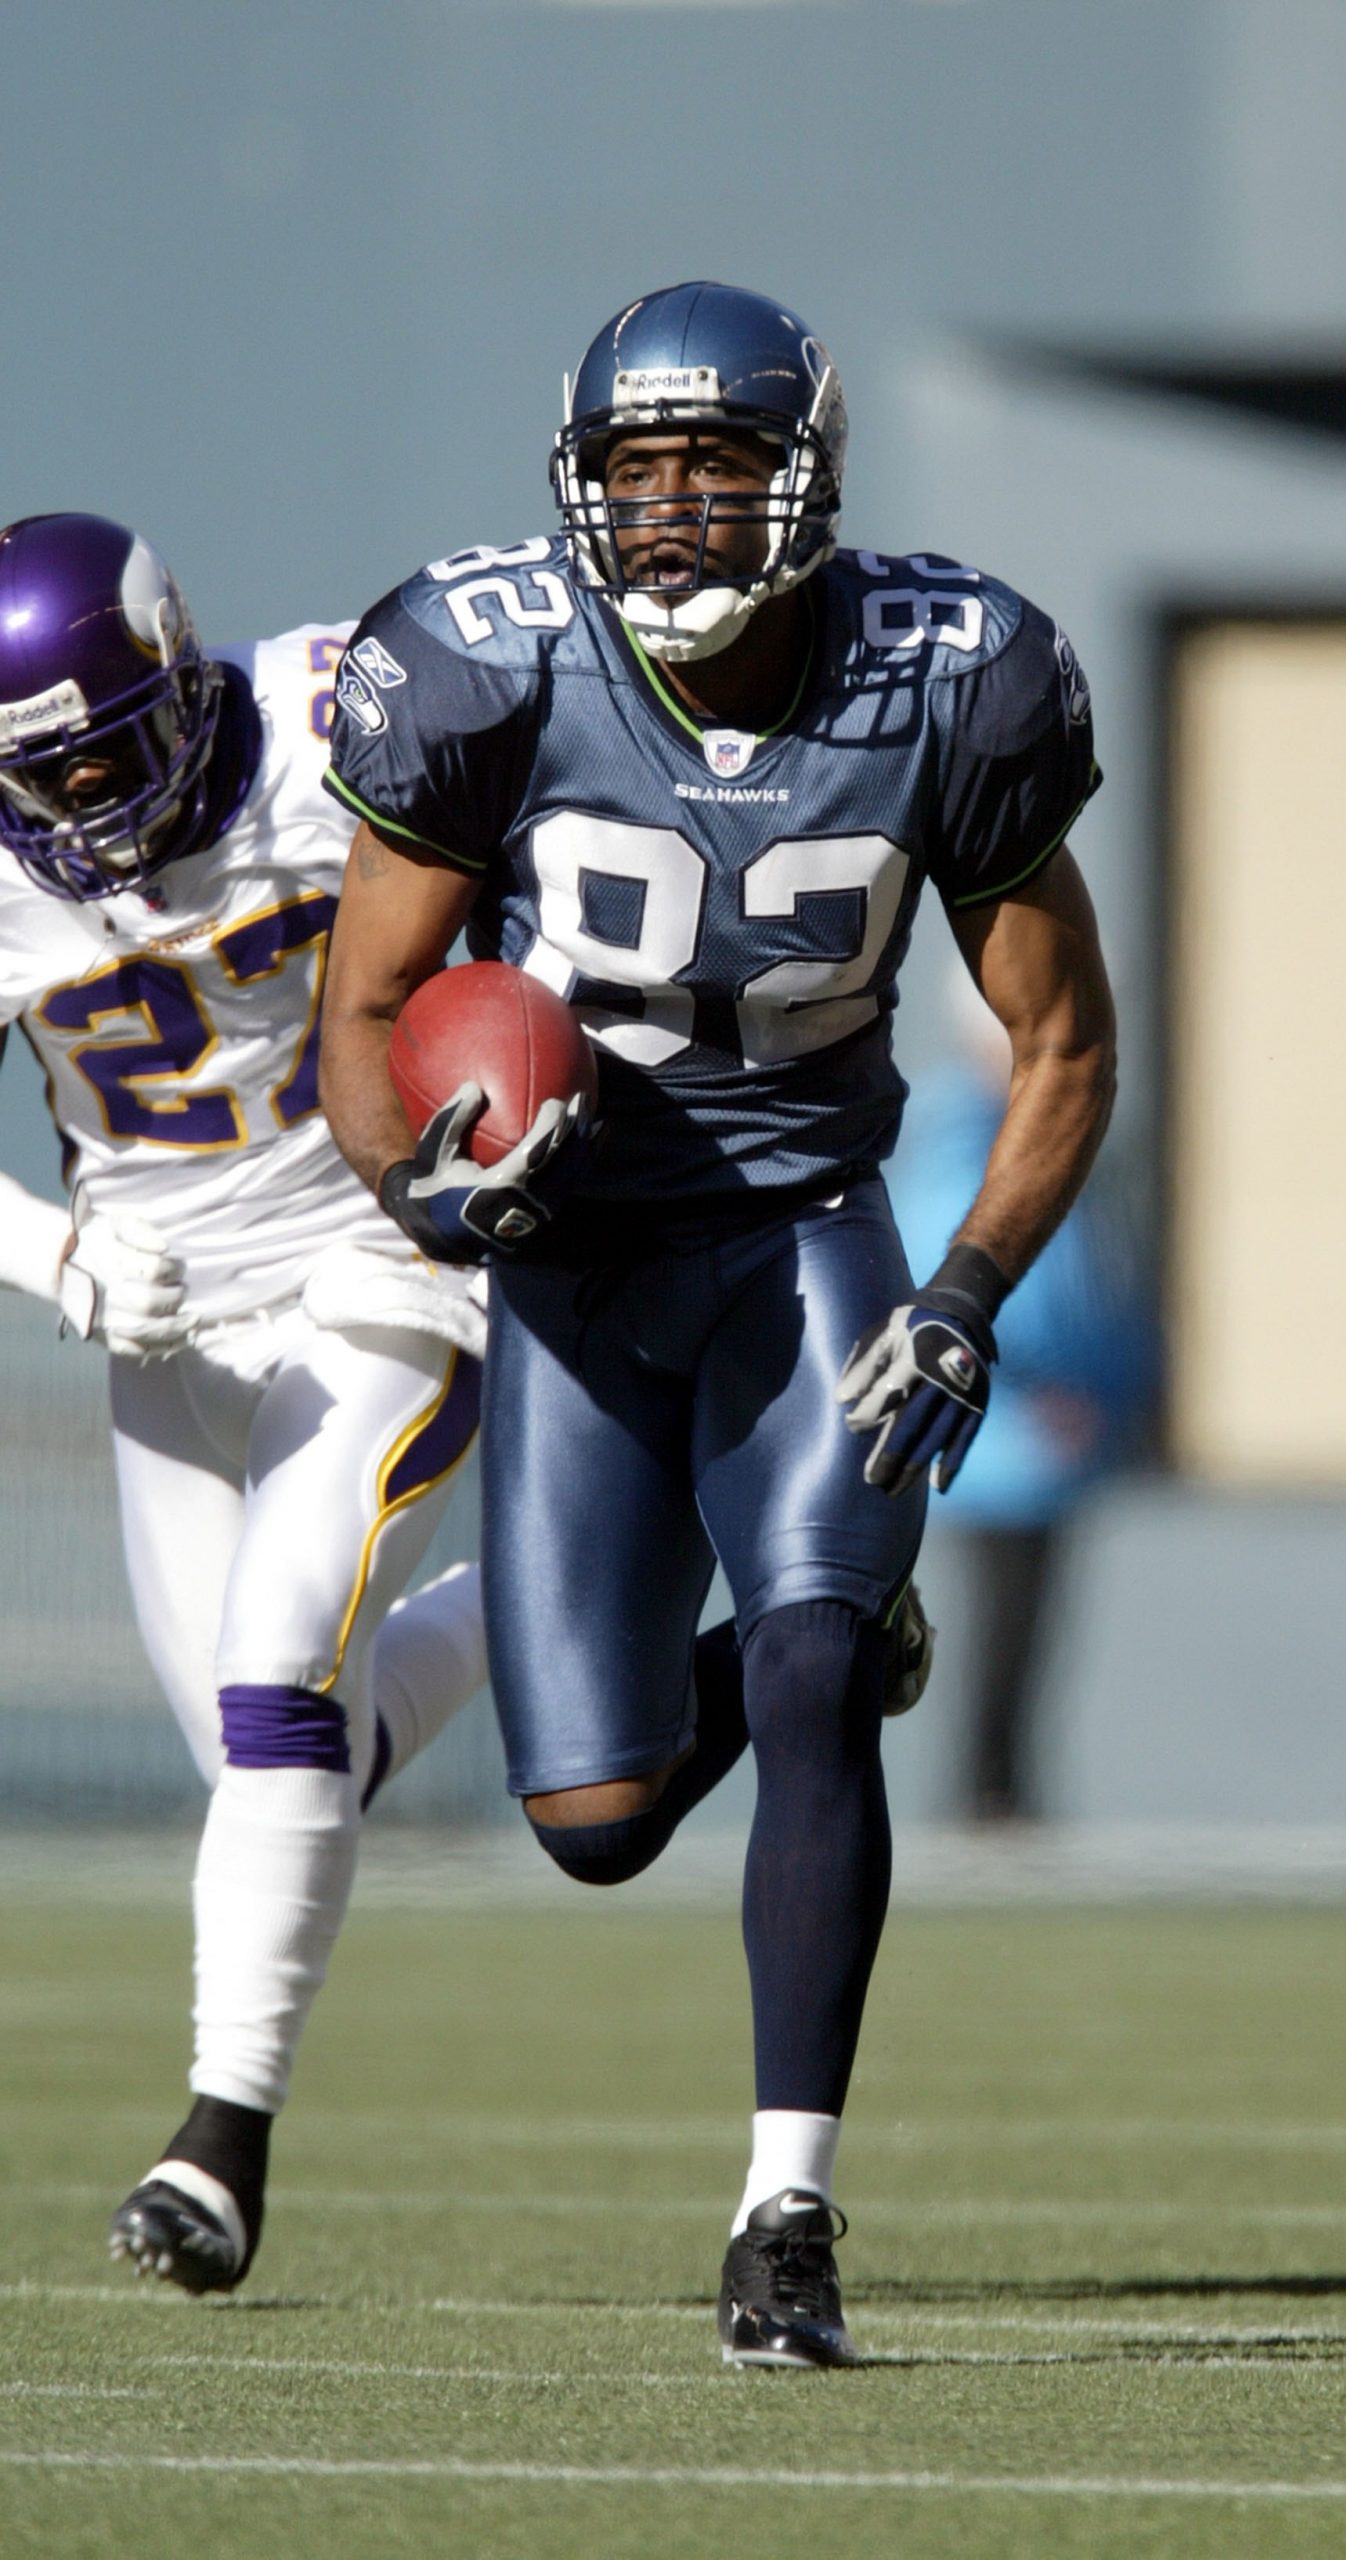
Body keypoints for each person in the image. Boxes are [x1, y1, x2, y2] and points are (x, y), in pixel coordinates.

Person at [318, 281, 1116, 2368]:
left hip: (801, 1230)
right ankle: (833, 1646)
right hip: (570, 1267)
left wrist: (961, 1295)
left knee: (803, 1657)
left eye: (719, 465)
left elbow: (1057, 1043)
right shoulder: (481, 662)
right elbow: (365, 1010)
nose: (673, 512)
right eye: (637, 472)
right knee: (588, 1823)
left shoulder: (954, 673)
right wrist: (423, 1183)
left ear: (808, 478)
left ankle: (784, 2210)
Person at [0, 512, 491, 2294]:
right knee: (279, 1769)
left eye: (98, 757)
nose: (76, 817)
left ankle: (219, 2144)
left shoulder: (325, 719)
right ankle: (588, 1616)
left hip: (378, 1272)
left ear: (177, 672)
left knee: (281, 1676)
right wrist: (54, 1259)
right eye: (27, 779)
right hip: (164, 1333)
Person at [889, 975, 1156, 1818]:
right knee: (1001, 1644)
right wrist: (1048, 1383)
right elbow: (986, 1278)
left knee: (1024, 1643)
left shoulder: (998, 1130)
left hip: (1031, 1436)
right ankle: (990, 1809)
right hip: (999, 1436)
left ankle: (1000, 1805)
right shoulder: (966, 1136)